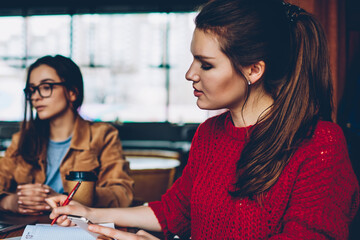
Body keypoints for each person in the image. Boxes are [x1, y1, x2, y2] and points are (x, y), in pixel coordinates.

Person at [47, 0, 360, 239]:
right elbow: (176, 211)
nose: (189, 74)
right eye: (192, 59)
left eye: (206, 65)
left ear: (254, 70)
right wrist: (89, 212)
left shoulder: (319, 144)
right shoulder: (210, 133)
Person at [0, 55, 134, 215]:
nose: (36, 97)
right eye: (32, 89)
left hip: (80, 230)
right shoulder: (22, 139)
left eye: (46, 87)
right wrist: (11, 201)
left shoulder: (103, 135)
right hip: (29, 228)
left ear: (72, 92)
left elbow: (122, 195)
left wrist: (65, 199)